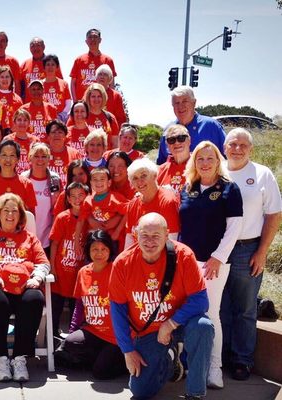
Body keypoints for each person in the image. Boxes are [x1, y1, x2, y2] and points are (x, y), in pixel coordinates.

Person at [109, 212, 214, 400]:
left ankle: (195, 393)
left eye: (156, 236)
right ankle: (170, 361)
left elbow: (201, 300)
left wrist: (171, 324)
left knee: (203, 327)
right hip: (148, 331)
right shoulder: (123, 264)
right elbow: (117, 310)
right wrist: (127, 350)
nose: (150, 241)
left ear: (167, 235)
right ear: (135, 235)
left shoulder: (184, 255)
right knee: (140, 391)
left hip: (181, 324)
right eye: (145, 235)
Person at [179, 140, 243, 389]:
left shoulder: (229, 189)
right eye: (200, 159)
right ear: (194, 162)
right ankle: (187, 364)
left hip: (214, 263)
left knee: (210, 313)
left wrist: (218, 256)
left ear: (219, 161)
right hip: (187, 263)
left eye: (210, 158)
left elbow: (234, 227)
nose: (205, 163)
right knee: (186, 313)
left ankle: (213, 368)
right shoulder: (188, 187)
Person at [0, 193, 50, 382]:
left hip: (23, 286)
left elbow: (43, 263)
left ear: (21, 216)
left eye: (15, 211)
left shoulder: (29, 238)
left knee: (35, 298)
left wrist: (37, 278)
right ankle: (1, 358)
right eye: (6, 210)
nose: (10, 214)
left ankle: (20, 358)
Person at [220, 128, 282, 381]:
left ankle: (242, 360)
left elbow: (273, 214)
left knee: (245, 308)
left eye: (243, 145)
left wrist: (262, 251)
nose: (237, 148)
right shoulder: (216, 169)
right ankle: (220, 357)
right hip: (218, 250)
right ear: (224, 147)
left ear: (251, 149)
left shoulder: (262, 174)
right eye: (232, 144)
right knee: (220, 307)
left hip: (248, 249)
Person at [55, 230, 127, 379]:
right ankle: (99, 357)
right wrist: (72, 330)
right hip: (93, 331)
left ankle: (126, 364)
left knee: (100, 373)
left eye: (103, 249)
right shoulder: (83, 272)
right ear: (88, 250)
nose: (99, 253)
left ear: (110, 250)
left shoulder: (117, 271)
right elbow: (79, 306)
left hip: (115, 335)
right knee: (69, 343)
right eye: (95, 249)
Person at [49, 182, 89, 337]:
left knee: (76, 309)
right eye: (73, 196)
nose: (77, 199)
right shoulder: (62, 217)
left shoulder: (89, 218)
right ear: (68, 198)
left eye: (81, 195)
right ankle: (52, 337)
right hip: (61, 270)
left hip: (78, 274)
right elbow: (54, 244)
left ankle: (74, 340)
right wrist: (52, 267)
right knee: (56, 307)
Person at [157, 86, 226, 165]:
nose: (180, 106)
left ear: (194, 103)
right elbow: (161, 164)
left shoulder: (212, 126)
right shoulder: (168, 131)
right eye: (176, 103)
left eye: (184, 101)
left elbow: (227, 158)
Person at [125, 158, 180, 249]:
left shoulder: (167, 201)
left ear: (154, 176)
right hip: (139, 257)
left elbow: (172, 240)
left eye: (143, 176)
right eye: (135, 178)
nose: (140, 181)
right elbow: (130, 237)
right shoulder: (132, 204)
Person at [75, 167, 127, 256]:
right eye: (95, 180)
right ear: (90, 183)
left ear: (109, 182)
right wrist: (76, 242)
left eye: (102, 179)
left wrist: (117, 231)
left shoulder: (116, 198)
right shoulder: (88, 200)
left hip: (111, 240)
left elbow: (128, 212)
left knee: (111, 265)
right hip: (93, 239)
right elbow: (80, 221)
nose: (98, 182)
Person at [21, 143, 62, 252]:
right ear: (30, 158)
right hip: (25, 237)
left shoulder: (55, 180)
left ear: (49, 159)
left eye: (44, 156)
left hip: (47, 238)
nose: (40, 160)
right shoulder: (23, 179)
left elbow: (59, 208)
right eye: (36, 156)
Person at [0, 140, 37, 213]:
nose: (8, 159)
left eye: (12, 155)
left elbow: (31, 215)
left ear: (17, 159)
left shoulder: (27, 184)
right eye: (4, 155)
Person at [70, 28, 117, 101]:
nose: (92, 39)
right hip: (83, 105)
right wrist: (75, 101)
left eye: (95, 37)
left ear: (100, 40)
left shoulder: (108, 60)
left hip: (101, 103)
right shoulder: (79, 60)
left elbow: (111, 84)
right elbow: (73, 83)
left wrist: (109, 100)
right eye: (90, 37)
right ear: (86, 41)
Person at [83, 83, 120, 149]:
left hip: (105, 158)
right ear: (88, 98)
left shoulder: (110, 117)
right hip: (84, 157)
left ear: (103, 97)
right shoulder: (80, 115)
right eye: (93, 96)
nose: (96, 99)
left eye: (99, 96)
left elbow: (115, 144)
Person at [3, 109, 40, 173]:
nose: (22, 123)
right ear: (14, 122)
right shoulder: (7, 139)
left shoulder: (35, 140)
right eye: (19, 120)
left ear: (29, 123)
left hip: (30, 175)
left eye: (25, 120)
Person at [157, 124, 191, 195]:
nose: (177, 143)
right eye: (171, 140)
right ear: (167, 145)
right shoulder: (159, 171)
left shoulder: (201, 166)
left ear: (189, 140)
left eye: (181, 138)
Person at [45, 120, 80, 187]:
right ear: (48, 136)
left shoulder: (75, 154)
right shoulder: (42, 154)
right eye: (53, 132)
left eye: (60, 132)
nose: (57, 135)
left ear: (65, 136)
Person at [42, 54, 71, 122]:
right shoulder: (39, 85)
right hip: (45, 118)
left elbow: (68, 103)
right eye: (48, 64)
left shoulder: (64, 84)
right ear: (44, 67)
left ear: (57, 67)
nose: (50, 67)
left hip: (60, 119)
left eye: (53, 64)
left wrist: (61, 115)